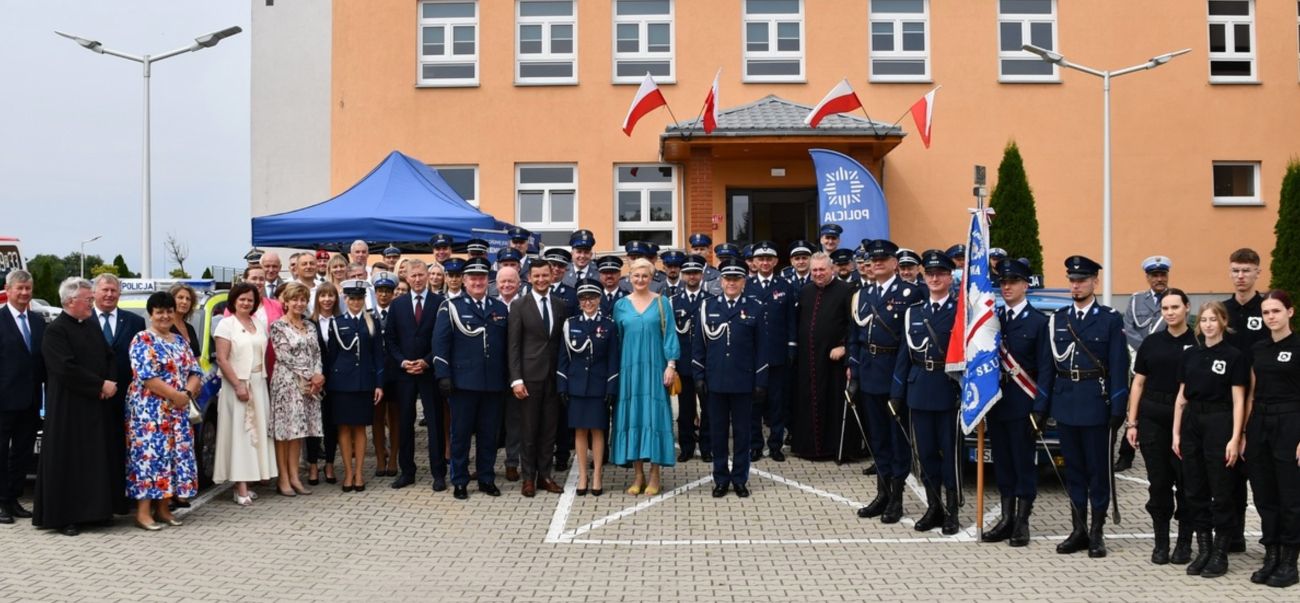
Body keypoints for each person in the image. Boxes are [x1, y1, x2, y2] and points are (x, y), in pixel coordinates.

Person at [1049, 255, 1130, 558]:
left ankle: (1097, 532)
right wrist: (1043, 406)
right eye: (1072, 280)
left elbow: (1120, 365)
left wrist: (1118, 406)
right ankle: (1078, 529)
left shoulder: (1109, 319)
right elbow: (1049, 367)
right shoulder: (1058, 318)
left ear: (1095, 281)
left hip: (1097, 404)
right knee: (1074, 471)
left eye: (1082, 280)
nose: (1076, 285)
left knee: (1098, 472)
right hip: (1067, 402)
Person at [33, 278, 117, 535]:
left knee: (93, 460)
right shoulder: (56, 331)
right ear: (71, 301)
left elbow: (109, 355)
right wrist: (99, 385)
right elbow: (65, 369)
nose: (92, 303)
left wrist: (111, 381)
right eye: (88, 299)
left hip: (94, 406)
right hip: (68, 408)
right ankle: (66, 517)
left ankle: (95, 512)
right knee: (68, 461)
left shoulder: (90, 326)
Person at [1171, 301, 1248, 579]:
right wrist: (1176, 432)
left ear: (1223, 322)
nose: (1208, 325)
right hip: (1193, 421)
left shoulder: (1234, 356)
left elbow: (1239, 400)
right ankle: (1203, 549)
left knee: (1221, 489)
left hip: (1220, 421)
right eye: (1203, 320)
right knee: (1194, 489)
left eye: (1213, 320)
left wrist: (1235, 436)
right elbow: (1182, 397)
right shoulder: (1190, 354)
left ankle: (1219, 552)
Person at [981, 259, 1053, 546]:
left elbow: (1046, 370)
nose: (1007, 286)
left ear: (1026, 285)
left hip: (1024, 403)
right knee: (1003, 464)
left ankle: (1022, 522)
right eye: (1003, 282)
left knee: (1023, 464)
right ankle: (1006, 519)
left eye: (1013, 282)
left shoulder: (1038, 322)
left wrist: (1040, 409)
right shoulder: (994, 319)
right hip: (998, 403)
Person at [1123, 287, 1196, 565]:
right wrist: (1132, 422)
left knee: (1187, 483)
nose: (1170, 313)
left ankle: (1185, 544)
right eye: (1165, 309)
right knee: (1159, 482)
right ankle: (1161, 543)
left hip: (1187, 421)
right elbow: (1138, 383)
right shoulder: (1152, 342)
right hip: (1153, 418)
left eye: (1175, 307)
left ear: (1187, 308)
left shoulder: (1198, 341)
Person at [891, 250, 961, 534]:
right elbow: (904, 354)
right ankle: (934, 507)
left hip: (947, 389)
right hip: (919, 389)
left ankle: (953, 511)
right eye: (929, 274)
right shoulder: (914, 313)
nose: (934, 278)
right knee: (926, 454)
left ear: (949, 277)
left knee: (950, 456)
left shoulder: (959, 312)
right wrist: (897, 392)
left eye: (940, 274)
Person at [850, 240, 919, 523]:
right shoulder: (863, 295)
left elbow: (909, 342)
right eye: (873, 259)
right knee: (877, 437)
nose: (877, 263)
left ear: (894, 263)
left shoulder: (910, 293)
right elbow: (854, 335)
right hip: (869, 372)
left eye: (883, 259)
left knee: (896, 438)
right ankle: (882, 494)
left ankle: (897, 498)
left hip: (894, 372)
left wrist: (899, 382)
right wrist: (853, 372)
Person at [125, 292, 203, 530]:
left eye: (169, 311)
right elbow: (147, 377)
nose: (165, 316)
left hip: (177, 412)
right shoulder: (142, 339)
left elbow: (195, 371)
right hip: (149, 412)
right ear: (151, 314)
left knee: (172, 459)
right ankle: (143, 512)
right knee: (150, 459)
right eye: (159, 311)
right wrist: (176, 396)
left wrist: (186, 395)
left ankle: (163, 508)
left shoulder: (180, 341)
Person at [432, 259, 509, 500]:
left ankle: (486, 478)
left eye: (482, 277)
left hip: (493, 383)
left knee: (489, 435)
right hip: (463, 383)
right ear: (464, 281)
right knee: (461, 435)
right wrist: (443, 375)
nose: (478, 282)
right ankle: (460, 480)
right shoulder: (451, 307)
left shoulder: (500, 308)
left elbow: (506, 346)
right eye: (473, 278)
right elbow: (440, 343)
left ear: (488, 281)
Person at [693, 258, 767, 498]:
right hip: (715, 381)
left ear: (744, 281)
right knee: (718, 433)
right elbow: (698, 346)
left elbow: (762, 349)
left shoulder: (755, 307)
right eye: (727, 278)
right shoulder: (708, 307)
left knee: (743, 434)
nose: (731, 283)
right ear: (721, 281)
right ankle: (721, 478)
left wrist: (760, 381)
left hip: (744, 382)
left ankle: (740, 478)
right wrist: (699, 376)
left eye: (736, 278)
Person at [1243, 290, 1300, 588]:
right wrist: (1243, 432)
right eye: (1266, 313)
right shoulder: (1260, 348)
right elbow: (1251, 392)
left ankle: (1290, 561)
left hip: (1291, 421)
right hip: (1261, 423)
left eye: (1276, 311)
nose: (1271, 317)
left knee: (1290, 496)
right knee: (1265, 495)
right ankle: (1272, 554)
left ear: (1289, 312)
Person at [611, 259, 679, 496]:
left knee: (654, 417)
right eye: (636, 275)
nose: (640, 280)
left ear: (652, 278)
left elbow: (670, 333)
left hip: (655, 368)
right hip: (629, 370)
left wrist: (670, 365)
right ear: (629, 277)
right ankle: (638, 475)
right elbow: (616, 340)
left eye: (645, 276)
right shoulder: (620, 305)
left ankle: (655, 475)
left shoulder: (662, 303)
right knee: (634, 418)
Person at [212, 283, 277, 506]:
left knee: (256, 434)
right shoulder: (225, 324)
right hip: (238, 384)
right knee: (240, 436)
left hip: (259, 383)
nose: (246, 303)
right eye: (242, 299)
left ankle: (250, 481)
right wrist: (238, 385)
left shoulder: (257, 323)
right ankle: (239, 487)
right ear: (234, 301)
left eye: (250, 300)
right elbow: (222, 358)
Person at [506, 259, 567, 497]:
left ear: (552, 276)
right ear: (529, 278)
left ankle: (545, 475)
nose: (541, 280)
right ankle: (528, 478)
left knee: (548, 431)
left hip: (553, 378)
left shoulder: (560, 305)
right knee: (529, 431)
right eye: (537, 276)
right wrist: (516, 379)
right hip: (529, 379)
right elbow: (513, 346)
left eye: (545, 275)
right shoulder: (519, 306)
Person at [386, 259, 447, 491]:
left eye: (422, 274)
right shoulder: (397, 304)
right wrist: (403, 362)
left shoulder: (439, 302)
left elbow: (442, 338)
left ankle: (438, 473)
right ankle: (407, 472)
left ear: (429, 275)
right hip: (405, 374)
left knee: (435, 424)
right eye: (414, 276)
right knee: (404, 423)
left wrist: (427, 361)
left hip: (429, 372)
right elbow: (390, 338)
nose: (418, 279)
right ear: (407, 278)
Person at [558, 279, 620, 496]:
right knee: (580, 431)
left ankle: (597, 476)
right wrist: (562, 385)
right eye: (584, 298)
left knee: (598, 430)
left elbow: (614, 359)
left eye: (592, 298)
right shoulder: (571, 324)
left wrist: (612, 388)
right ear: (579, 301)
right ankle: (583, 475)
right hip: (576, 385)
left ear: (599, 299)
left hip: (599, 386)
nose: (588, 302)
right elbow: (563, 358)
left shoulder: (609, 325)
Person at [1224, 247, 1267, 553]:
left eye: (1246, 271)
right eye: (1236, 270)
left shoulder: (1266, 309)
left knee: (1262, 474)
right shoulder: (1222, 310)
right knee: (1230, 475)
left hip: (1263, 403)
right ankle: (1233, 536)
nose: (1241, 276)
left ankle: (1271, 539)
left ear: (1257, 273)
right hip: (1227, 404)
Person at [90, 273, 145, 516]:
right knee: (95, 449)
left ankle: (122, 499)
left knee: (122, 448)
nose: (110, 295)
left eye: (114, 290)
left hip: (125, 394)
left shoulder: (134, 322)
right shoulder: (83, 319)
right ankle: (96, 499)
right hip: (92, 395)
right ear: (94, 292)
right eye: (105, 290)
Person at [324, 280, 385, 493]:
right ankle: (347, 473)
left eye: (360, 298)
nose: (356, 302)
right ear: (346, 300)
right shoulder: (336, 322)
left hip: (363, 383)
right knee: (343, 428)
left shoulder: (372, 323)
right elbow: (331, 357)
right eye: (352, 298)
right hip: (341, 384)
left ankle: (359, 473)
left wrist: (379, 384)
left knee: (360, 429)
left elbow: (378, 356)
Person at [791, 252, 852, 460]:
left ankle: (833, 449)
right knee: (808, 401)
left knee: (832, 404)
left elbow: (854, 325)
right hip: (808, 360)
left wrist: (844, 347)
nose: (818, 274)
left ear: (832, 269)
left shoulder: (846, 290)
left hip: (834, 361)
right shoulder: (805, 291)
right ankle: (807, 448)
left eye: (822, 270)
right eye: (814, 270)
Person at [1117, 256, 1174, 473]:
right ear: (1148, 277)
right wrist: (1146, 354)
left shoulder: (1175, 298)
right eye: (1155, 275)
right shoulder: (1136, 300)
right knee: (1134, 404)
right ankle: (1125, 454)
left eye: (1162, 274)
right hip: (1141, 360)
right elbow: (1129, 328)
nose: (1159, 279)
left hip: (1165, 364)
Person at [268, 282, 324, 496]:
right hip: (287, 383)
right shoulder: (278, 326)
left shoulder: (310, 326)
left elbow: (317, 353)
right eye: (295, 299)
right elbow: (284, 356)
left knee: (299, 432)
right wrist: (311, 376)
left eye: (302, 299)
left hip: (309, 386)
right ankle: (283, 479)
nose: (299, 303)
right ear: (286, 302)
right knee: (284, 433)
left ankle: (294, 477)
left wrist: (318, 375)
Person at [744, 241, 795, 463]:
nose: (764, 262)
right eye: (760, 259)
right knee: (754, 403)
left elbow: (791, 320)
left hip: (777, 353)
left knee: (777, 402)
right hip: (753, 355)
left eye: (769, 259)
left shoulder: (785, 286)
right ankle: (755, 445)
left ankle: (775, 445)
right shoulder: (746, 285)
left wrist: (792, 345)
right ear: (754, 262)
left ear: (775, 261)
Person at [0, 270, 44, 525]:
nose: (25, 293)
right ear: (8, 289)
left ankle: (14, 498)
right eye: (20, 288)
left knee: (22, 453)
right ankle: (2, 500)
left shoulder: (38, 322)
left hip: (30, 401)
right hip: (3, 401)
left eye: (28, 288)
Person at [672, 255, 711, 462]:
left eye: (695, 272)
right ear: (682, 275)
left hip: (706, 364)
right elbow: (670, 336)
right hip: (684, 364)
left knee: (708, 408)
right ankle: (686, 447)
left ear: (701, 274)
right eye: (688, 273)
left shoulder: (710, 300)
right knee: (685, 409)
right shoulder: (673, 301)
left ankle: (707, 447)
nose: (692, 276)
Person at [305, 283, 340, 486]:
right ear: (317, 299)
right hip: (314, 380)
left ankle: (329, 463)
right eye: (323, 296)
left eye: (331, 296)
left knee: (330, 424)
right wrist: (315, 376)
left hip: (335, 380)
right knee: (312, 425)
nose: (327, 299)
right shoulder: (309, 323)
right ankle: (311, 465)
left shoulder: (341, 321)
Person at [371, 272, 401, 477]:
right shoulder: (368, 314)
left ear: (393, 293)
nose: (383, 295)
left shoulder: (399, 313)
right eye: (380, 291)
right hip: (376, 373)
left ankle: (393, 459)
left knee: (395, 418)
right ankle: (380, 458)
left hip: (396, 372)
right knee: (377, 418)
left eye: (387, 291)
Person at [168, 283, 201, 358]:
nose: (184, 302)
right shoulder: (165, 327)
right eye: (180, 297)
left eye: (188, 299)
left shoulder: (190, 328)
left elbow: (197, 358)